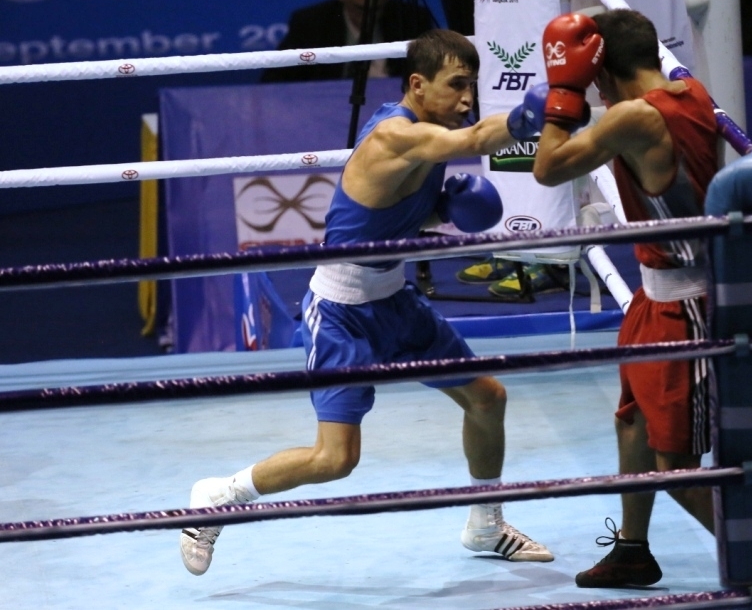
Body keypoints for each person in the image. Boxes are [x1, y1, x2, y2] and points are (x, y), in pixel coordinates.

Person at [180, 29, 554, 576]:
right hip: (341, 312)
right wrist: (528, 119)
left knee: (487, 397)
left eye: (472, 86)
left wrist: (443, 212)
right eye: (456, 85)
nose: (467, 99)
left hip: (394, 299)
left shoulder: (426, 134)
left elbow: (396, 212)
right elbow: (475, 139)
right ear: (418, 85)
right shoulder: (395, 136)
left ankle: (486, 524)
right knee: (335, 459)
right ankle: (220, 496)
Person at [527, 9, 720, 588]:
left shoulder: (636, 117)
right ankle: (633, 551)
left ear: (602, 72)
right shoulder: (691, 91)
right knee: (633, 422)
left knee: (677, 469)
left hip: (684, 306)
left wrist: (564, 93)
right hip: (654, 295)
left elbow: (547, 169)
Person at [260, 0, 435, 82]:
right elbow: (273, 83)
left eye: (376, 8)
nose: (368, 17)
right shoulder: (309, 24)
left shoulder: (413, 20)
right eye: (360, 8)